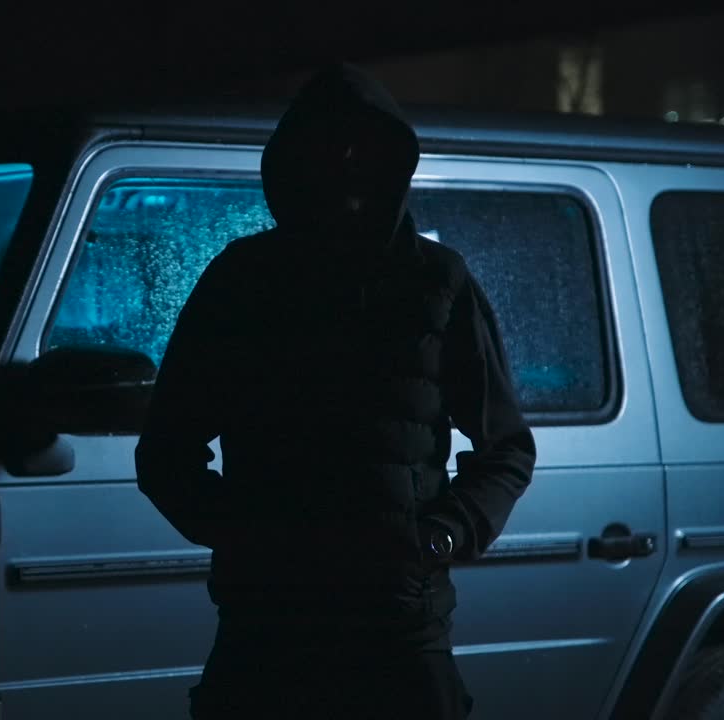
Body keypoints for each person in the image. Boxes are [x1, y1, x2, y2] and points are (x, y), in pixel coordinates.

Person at [135, 63, 537, 720]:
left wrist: (436, 539)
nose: (347, 159)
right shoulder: (243, 281)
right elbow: (166, 453)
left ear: (392, 158)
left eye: (365, 143)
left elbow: (507, 447)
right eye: (329, 142)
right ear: (296, 158)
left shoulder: (437, 284)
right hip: (268, 633)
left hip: (401, 632)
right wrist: (247, 541)